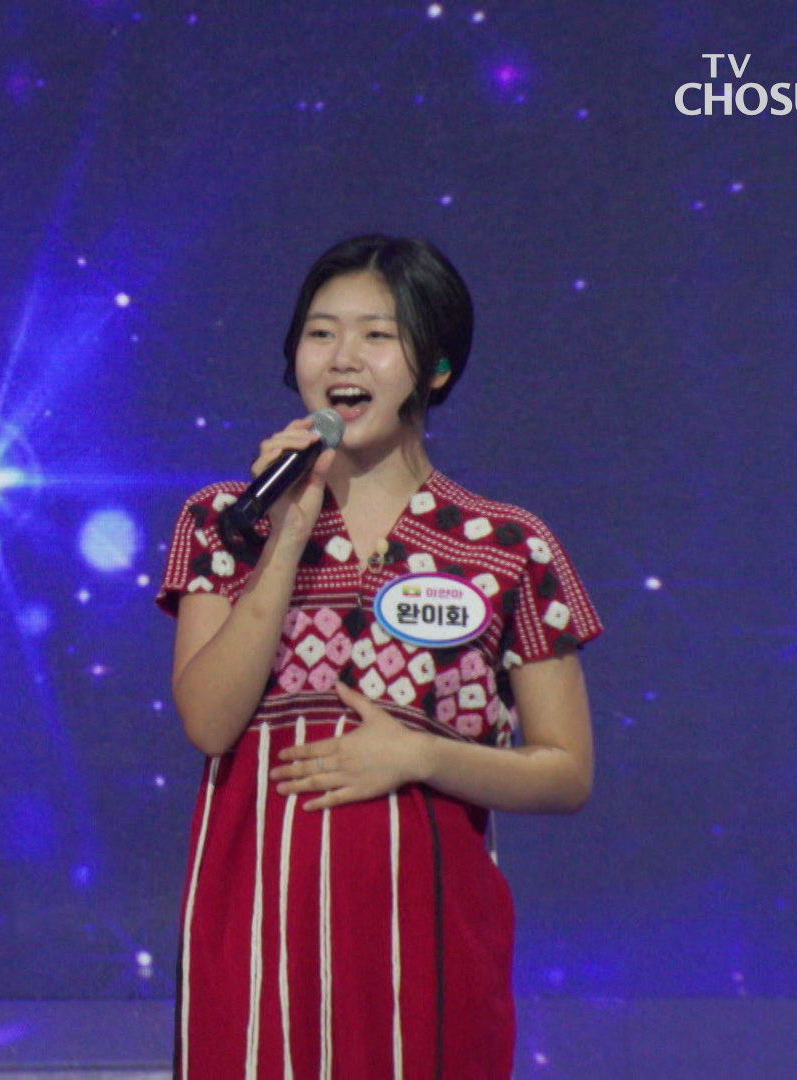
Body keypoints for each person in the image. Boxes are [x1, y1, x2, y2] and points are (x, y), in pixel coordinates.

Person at [158, 235, 601, 1078]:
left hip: (428, 941)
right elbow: (209, 723)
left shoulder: (509, 546)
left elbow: (566, 771)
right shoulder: (226, 521)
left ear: (435, 367)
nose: (342, 358)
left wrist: (420, 755)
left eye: (377, 335)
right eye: (320, 333)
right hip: (256, 931)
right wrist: (287, 533)